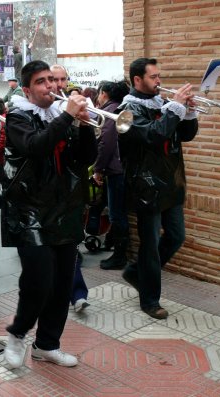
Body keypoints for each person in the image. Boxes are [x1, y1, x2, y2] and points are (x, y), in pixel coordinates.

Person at [1, 60, 97, 369]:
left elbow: (85, 159)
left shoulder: (62, 117)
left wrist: (83, 126)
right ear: (28, 90)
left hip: (64, 208)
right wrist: (68, 116)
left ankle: (47, 344)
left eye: (53, 81)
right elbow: (36, 146)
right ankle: (17, 334)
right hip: (29, 211)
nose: (51, 87)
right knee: (39, 281)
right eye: (43, 82)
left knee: (62, 283)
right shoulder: (17, 117)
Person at [118, 57, 198, 320]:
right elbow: (153, 135)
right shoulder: (127, 111)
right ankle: (150, 300)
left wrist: (189, 113)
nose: (159, 81)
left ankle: (135, 273)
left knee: (176, 236)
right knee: (150, 245)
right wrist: (175, 109)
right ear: (137, 80)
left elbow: (184, 135)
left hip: (170, 182)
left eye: (159, 76)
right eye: (154, 77)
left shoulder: (162, 103)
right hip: (145, 186)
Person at [92, 80, 131, 270]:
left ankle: (120, 256)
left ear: (105, 94)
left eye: (99, 93)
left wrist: (98, 169)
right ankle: (116, 248)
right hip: (123, 168)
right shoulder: (122, 109)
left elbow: (106, 143)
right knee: (119, 212)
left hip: (116, 171)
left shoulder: (111, 112)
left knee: (117, 214)